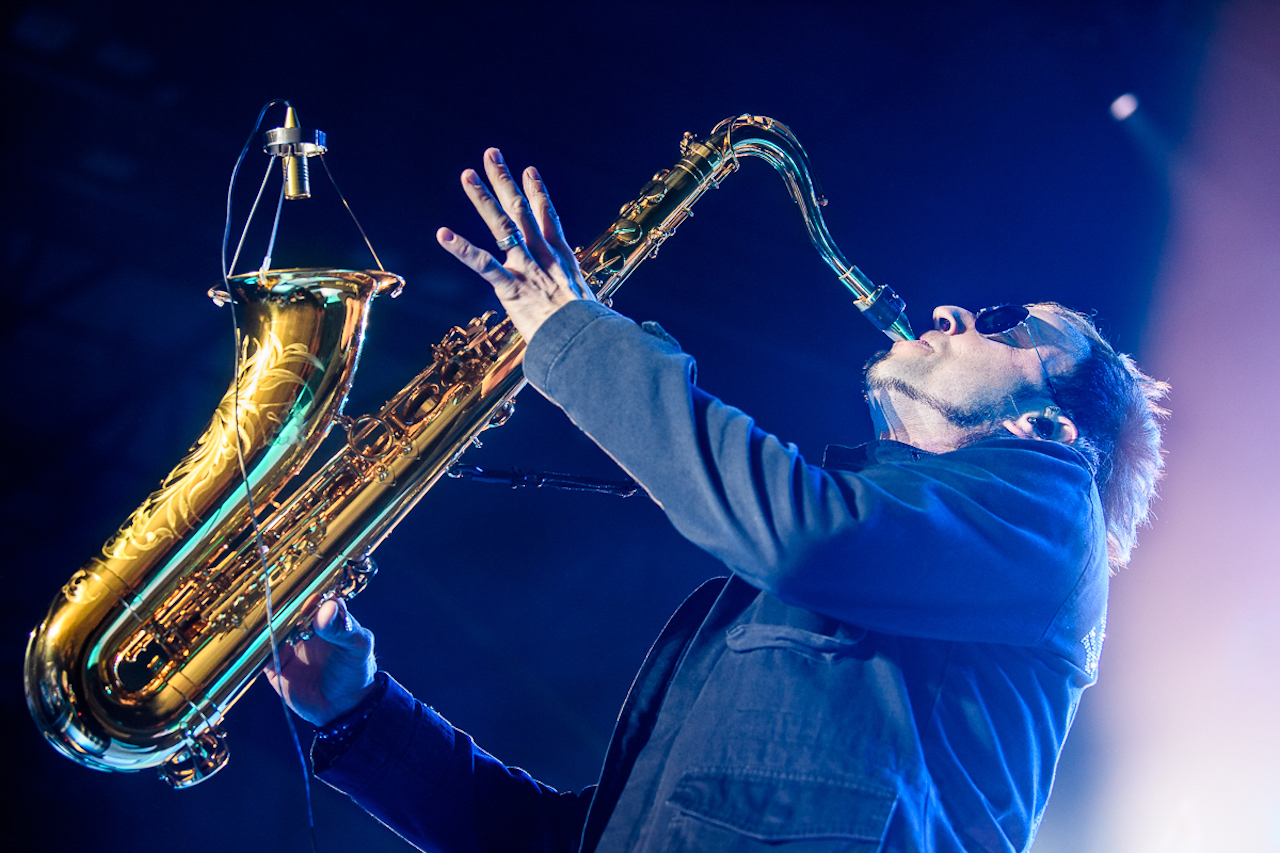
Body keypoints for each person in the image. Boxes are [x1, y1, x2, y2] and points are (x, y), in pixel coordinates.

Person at [266, 148, 1169, 852]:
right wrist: (359, 714)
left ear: (1046, 430)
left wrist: (579, 337)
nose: (953, 316)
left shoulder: (1057, 515)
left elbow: (801, 534)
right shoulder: (862, 573)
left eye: (1008, 322)